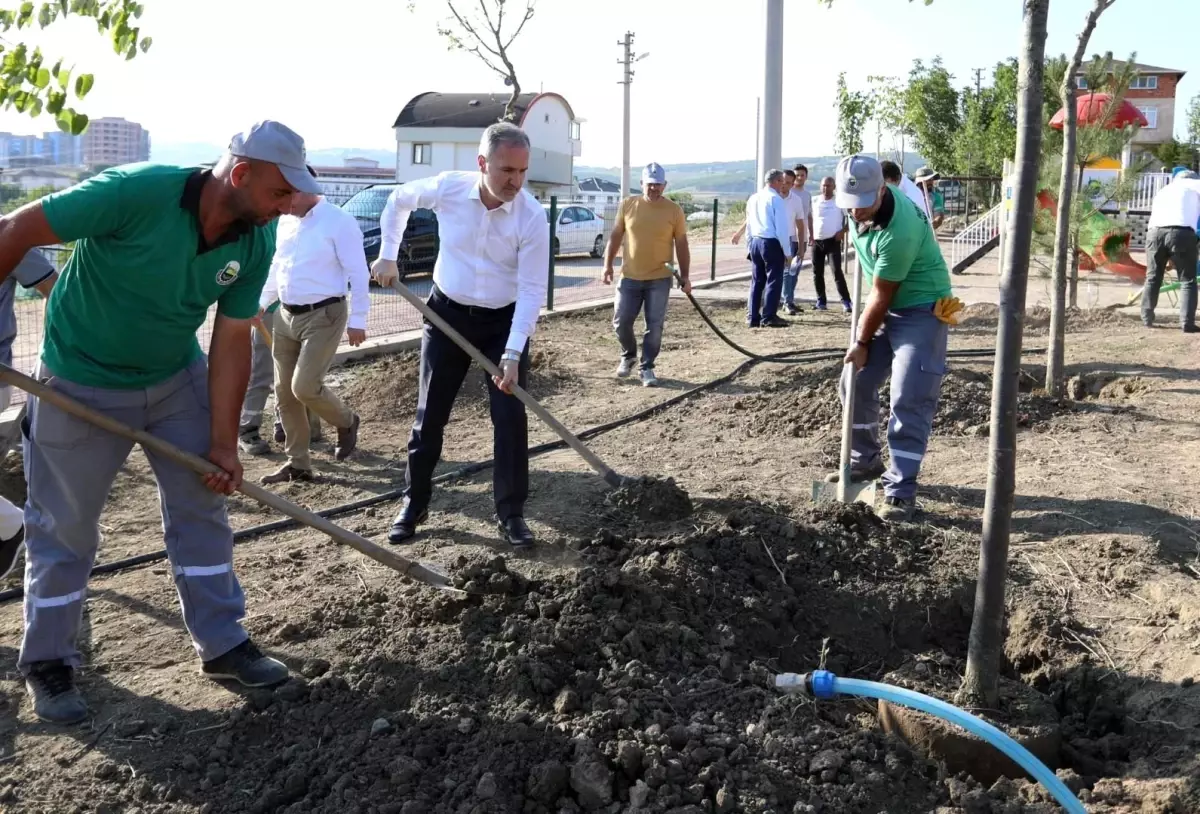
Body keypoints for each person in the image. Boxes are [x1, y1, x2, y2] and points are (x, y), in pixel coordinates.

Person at [0, 120, 319, 723]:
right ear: (242, 173)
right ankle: (48, 661)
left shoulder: (253, 240)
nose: (288, 207)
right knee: (64, 527)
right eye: (280, 193)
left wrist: (224, 444)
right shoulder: (134, 192)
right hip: (79, 380)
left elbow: (229, 342)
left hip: (175, 380)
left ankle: (223, 642)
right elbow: (16, 229)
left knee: (203, 502)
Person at [371, 122, 550, 548]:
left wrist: (512, 352)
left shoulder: (532, 216)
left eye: (523, 172)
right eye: (507, 170)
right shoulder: (449, 189)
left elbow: (530, 290)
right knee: (430, 414)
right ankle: (414, 503)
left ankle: (511, 513)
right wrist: (386, 255)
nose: (516, 181)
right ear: (482, 163)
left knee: (509, 419)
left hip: (503, 322)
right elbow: (398, 200)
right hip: (447, 315)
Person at [827, 154, 953, 523]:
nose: (856, 213)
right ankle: (865, 462)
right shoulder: (858, 207)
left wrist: (862, 342)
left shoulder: (902, 229)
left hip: (923, 309)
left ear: (883, 189)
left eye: (863, 206)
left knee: (908, 395)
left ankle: (900, 491)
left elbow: (882, 295)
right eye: (850, 207)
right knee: (855, 381)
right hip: (887, 303)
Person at [258, 166, 368, 483]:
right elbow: (278, 266)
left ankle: (347, 421)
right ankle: (298, 464)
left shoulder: (339, 221)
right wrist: (262, 303)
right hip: (285, 315)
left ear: (303, 188)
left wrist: (358, 318)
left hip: (325, 315)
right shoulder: (286, 222)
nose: (279, 204)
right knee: (284, 393)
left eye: (284, 195)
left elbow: (359, 272)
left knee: (304, 386)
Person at [602, 163, 690, 388]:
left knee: (654, 325)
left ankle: (647, 366)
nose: (654, 189)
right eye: (650, 185)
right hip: (630, 276)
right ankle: (629, 355)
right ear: (642, 184)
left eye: (658, 185)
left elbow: (681, 244)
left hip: (659, 278)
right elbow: (615, 235)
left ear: (664, 185)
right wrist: (608, 265)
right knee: (621, 322)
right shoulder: (628, 205)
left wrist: (686, 277)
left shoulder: (674, 210)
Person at [0, 249, 58, 580]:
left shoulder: (8, 233)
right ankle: (9, 522)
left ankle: (10, 523)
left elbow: (58, 293)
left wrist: (56, 356)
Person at [237, 302, 322, 456]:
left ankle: (285, 424)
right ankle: (247, 430)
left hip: (298, 310)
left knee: (290, 372)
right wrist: (259, 303)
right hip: (267, 310)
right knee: (262, 374)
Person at [732, 170, 794, 328]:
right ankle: (769, 316)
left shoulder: (753, 198)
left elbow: (749, 223)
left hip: (755, 241)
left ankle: (753, 316)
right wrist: (787, 252)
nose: (783, 185)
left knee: (757, 280)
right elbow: (781, 228)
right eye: (781, 181)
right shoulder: (776, 199)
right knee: (774, 279)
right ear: (776, 181)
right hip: (770, 242)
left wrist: (749, 243)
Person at [1142, 168, 1200, 332]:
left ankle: (1146, 319)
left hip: (1154, 233)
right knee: (1187, 280)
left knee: (1153, 277)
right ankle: (1187, 323)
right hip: (1182, 233)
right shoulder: (1195, 186)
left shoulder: (1164, 190)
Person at [810, 176, 852, 313]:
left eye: (828, 185)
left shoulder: (839, 201)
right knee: (817, 272)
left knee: (836, 271)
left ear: (834, 187)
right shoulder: (814, 201)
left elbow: (851, 220)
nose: (825, 188)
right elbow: (809, 218)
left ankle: (846, 301)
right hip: (817, 241)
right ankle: (821, 300)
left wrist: (843, 231)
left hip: (833, 241)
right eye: (823, 185)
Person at [781, 165, 813, 315]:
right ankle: (786, 301)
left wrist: (811, 234)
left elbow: (808, 216)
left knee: (795, 271)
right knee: (787, 271)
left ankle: (790, 300)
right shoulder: (787, 193)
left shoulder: (806, 195)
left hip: (802, 238)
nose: (799, 178)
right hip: (788, 237)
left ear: (806, 176)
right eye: (797, 175)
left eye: (802, 175)